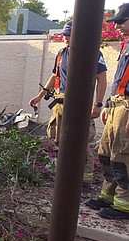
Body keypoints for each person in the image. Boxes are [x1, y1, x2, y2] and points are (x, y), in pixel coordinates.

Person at [28, 20, 108, 183]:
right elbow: (54, 76)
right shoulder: (61, 54)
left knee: (80, 143)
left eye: (69, 34)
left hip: (79, 104)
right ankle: (64, 176)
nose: (65, 37)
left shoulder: (92, 53)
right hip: (60, 104)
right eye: (64, 34)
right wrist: (40, 96)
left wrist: (98, 104)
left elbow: (102, 79)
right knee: (59, 141)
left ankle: (84, 180)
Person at [85, 3, 129, 220]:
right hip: (117, 107)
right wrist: (108, 104)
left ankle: (124, 206)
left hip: (128, 109)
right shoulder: (126, 44)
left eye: (122, 21)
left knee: (123, 157)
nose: (118, 25)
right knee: (106, 154)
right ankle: (108, 196)